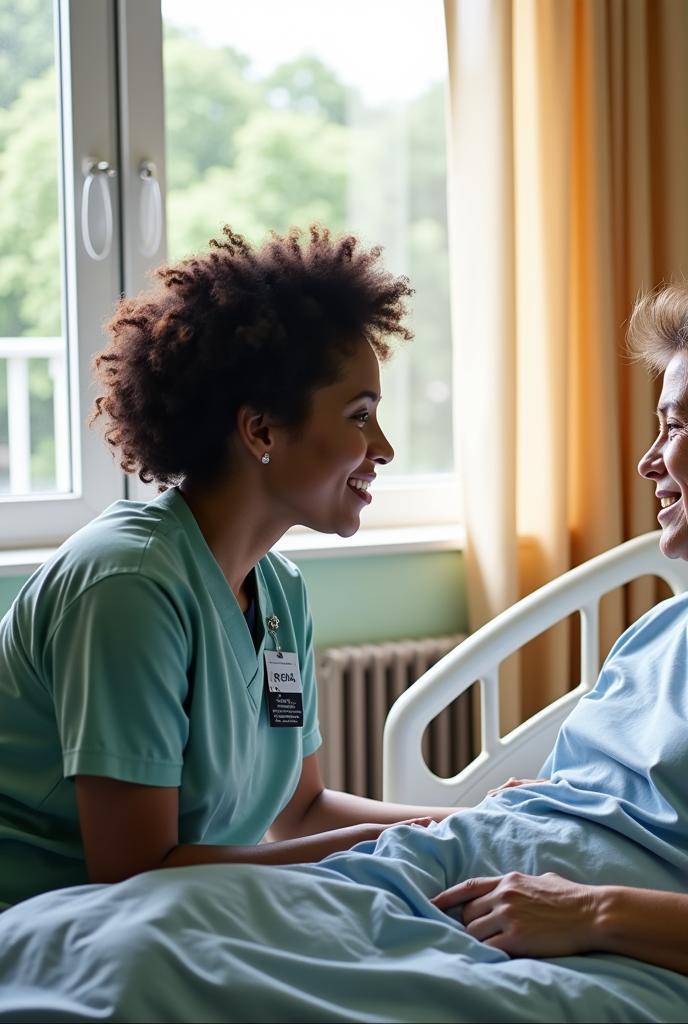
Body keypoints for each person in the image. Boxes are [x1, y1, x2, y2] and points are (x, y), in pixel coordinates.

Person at [0, 273, 688, 1024]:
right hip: (435, 890)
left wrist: (589, 911)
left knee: (133, 972)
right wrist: (451, 828)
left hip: (545, 937)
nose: (648, 460)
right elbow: (163, 858)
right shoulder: (663, 629)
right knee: (88, 940)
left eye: (673, 426)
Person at [0, 225, 454, 912]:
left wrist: (458, 826)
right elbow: (132, 872)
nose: (383, 447)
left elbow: (298, 813)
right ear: (262, 431)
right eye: (360, 416)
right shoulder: (129, 587)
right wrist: (411, 844)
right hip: (46, 927)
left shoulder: (278, 593)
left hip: (176, 914)